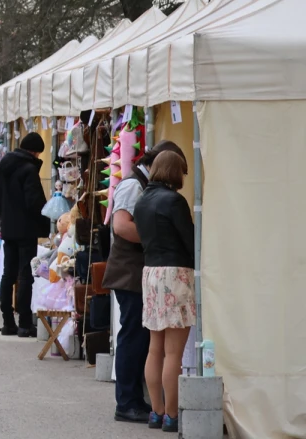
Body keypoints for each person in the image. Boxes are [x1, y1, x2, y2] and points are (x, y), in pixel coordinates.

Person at [107, 140, 186, 424]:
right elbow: (120, 226)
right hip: (130, 272)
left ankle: (143, 403)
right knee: (133, 336)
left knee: (146, 342)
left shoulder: (146, 187)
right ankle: (127, 401)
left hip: (144, 272)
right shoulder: (132, 185)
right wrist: (159, 238)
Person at [132, 150, 195, 433]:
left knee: (154, 349)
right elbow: (190, 240)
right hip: (176, 274)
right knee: (174, 354)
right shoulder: (175, 201)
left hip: (151, 274)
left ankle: (156, 411)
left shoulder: (142, 200)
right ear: (174, 172)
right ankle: (172, 415)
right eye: (182, 171)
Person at [0, 132, 47, 336]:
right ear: (33, 151)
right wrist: (44, 220)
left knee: (8, 274)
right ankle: (24, 323)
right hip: (26, 229)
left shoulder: (4, 166)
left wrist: (7, 216)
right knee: (25, 275)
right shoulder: (29, 169)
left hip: (8, 228)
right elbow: (34, 202)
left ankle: (8, 322)